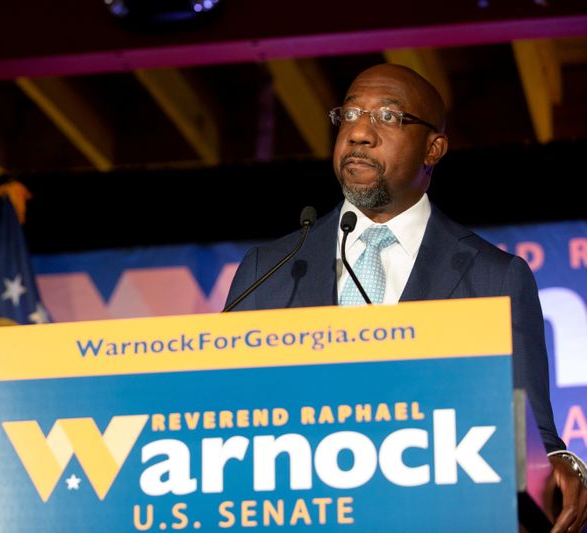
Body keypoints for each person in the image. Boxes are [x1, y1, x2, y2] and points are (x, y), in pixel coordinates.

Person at [225, 63, 587, 532]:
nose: (358, 132)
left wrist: (566, 464)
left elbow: (534, 437)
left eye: (387, 117)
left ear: (433, 148)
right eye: (350, 113)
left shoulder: (496, 277)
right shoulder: (267, 271)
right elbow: (226, 420)